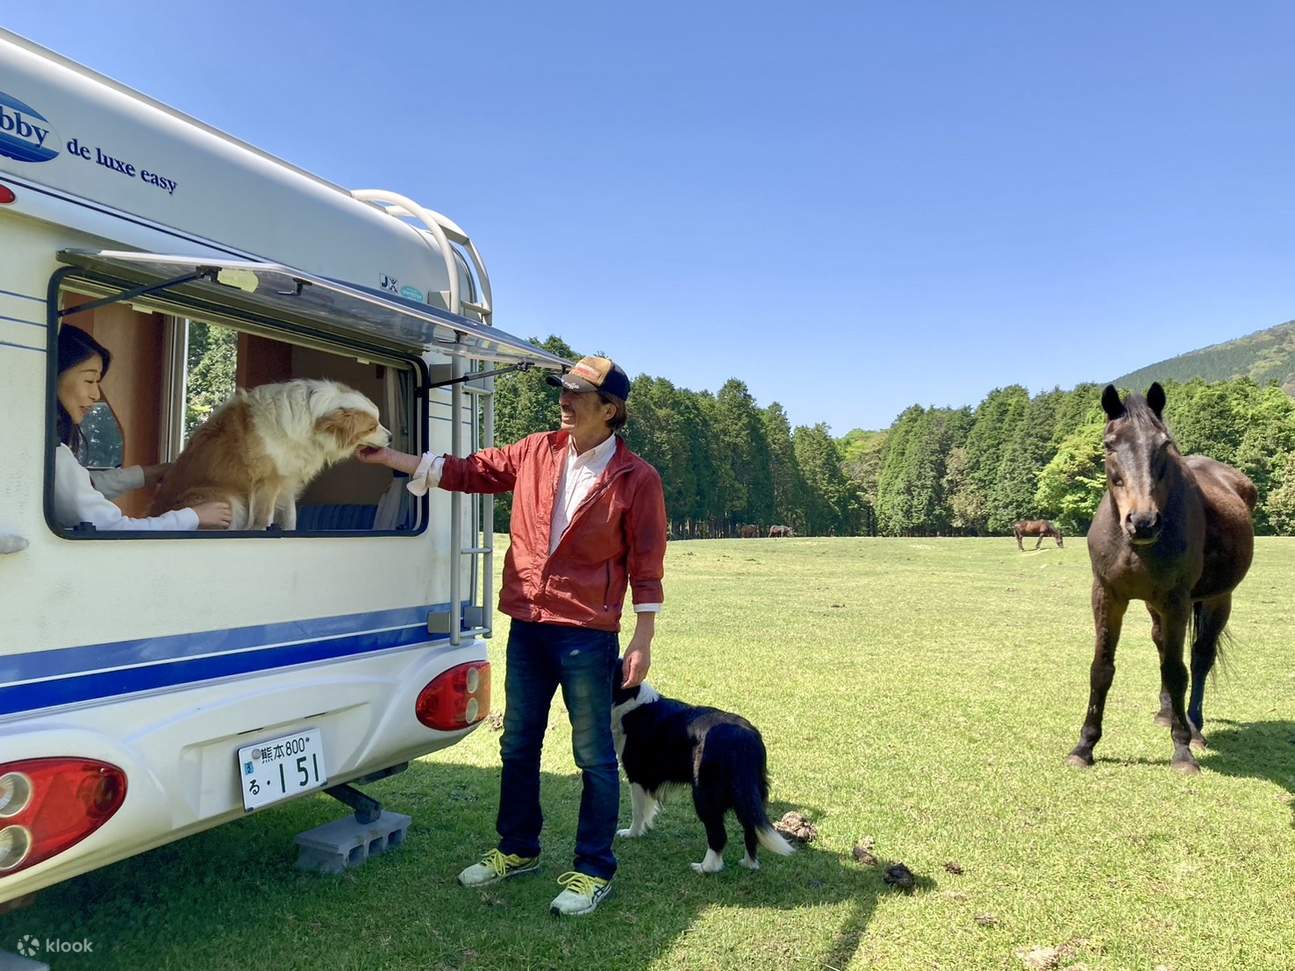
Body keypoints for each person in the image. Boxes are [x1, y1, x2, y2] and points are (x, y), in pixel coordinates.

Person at [357, 355, 667, 916]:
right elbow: (468, 471)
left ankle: (593, 869)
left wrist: (642, 636)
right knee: (518, 744)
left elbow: (647, 560)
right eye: (563, 391)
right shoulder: (535, 450)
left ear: (609, 410)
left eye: (576, 394)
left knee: (594, 755)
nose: (564, 401)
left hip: (585, 634)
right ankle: (518, 849)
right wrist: (391, 458)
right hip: (527, 624)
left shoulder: (636, 478)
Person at [53, 325, 232, 532]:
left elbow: (84, 486)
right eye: (89, 380)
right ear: (52, 372)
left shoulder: (52, 454)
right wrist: (194, 516)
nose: (95, 394)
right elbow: (115, 529)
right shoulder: (55, 454)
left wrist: (149, 474)